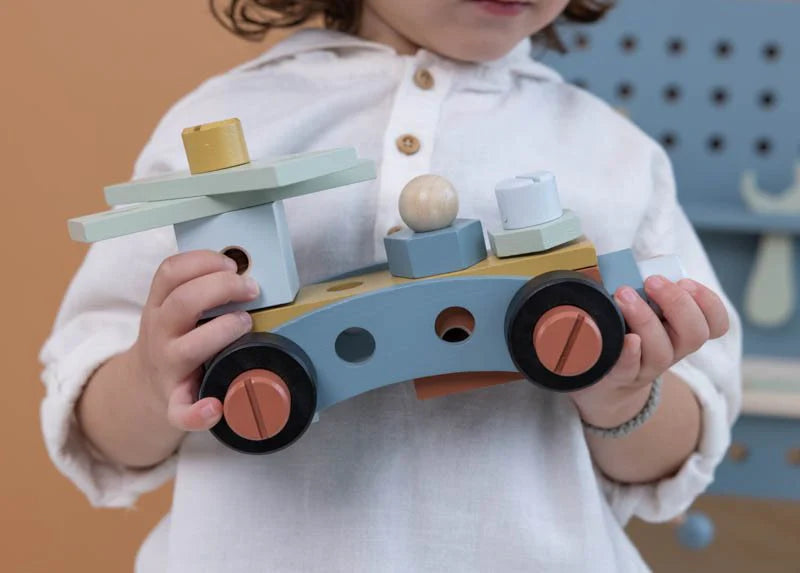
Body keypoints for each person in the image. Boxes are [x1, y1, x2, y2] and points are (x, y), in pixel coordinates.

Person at [39, 1, 742, 571]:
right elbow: (99, 424)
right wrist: (151, 379)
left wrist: (623, 397)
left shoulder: (614, 155)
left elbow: (676, 451)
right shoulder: (226, 121)